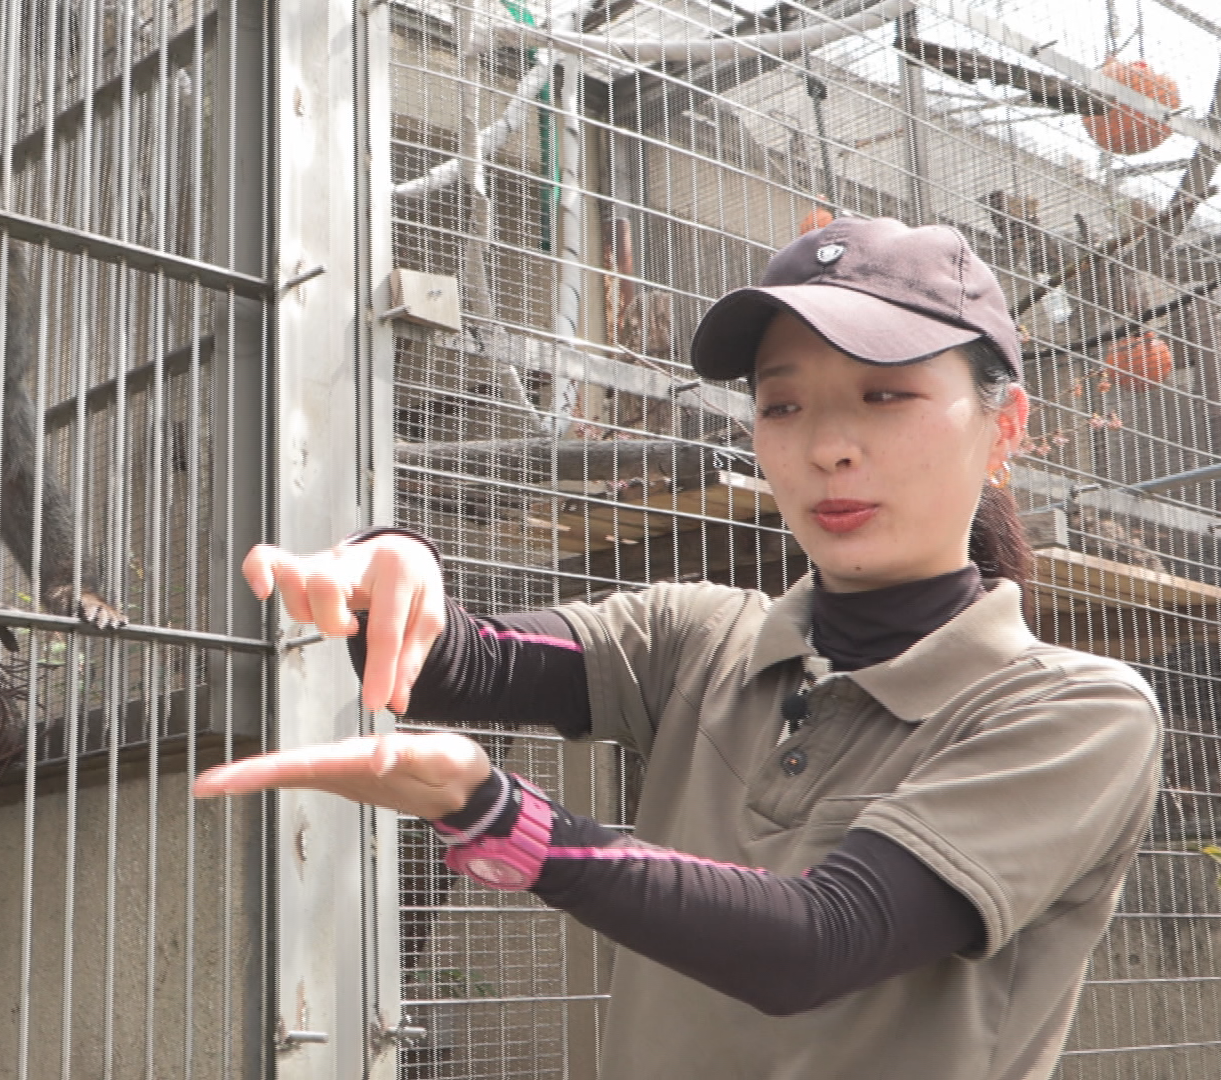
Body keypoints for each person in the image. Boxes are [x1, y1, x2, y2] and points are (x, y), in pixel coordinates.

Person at [194, 218, 1162, 1079]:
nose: (827, 445)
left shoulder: (1073, 712)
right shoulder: (697, 638)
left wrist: (499, 819)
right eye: (783, 406)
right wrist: (387, 562)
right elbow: (460, 664)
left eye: (884, 397)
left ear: (1006, 430)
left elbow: (821, 943)